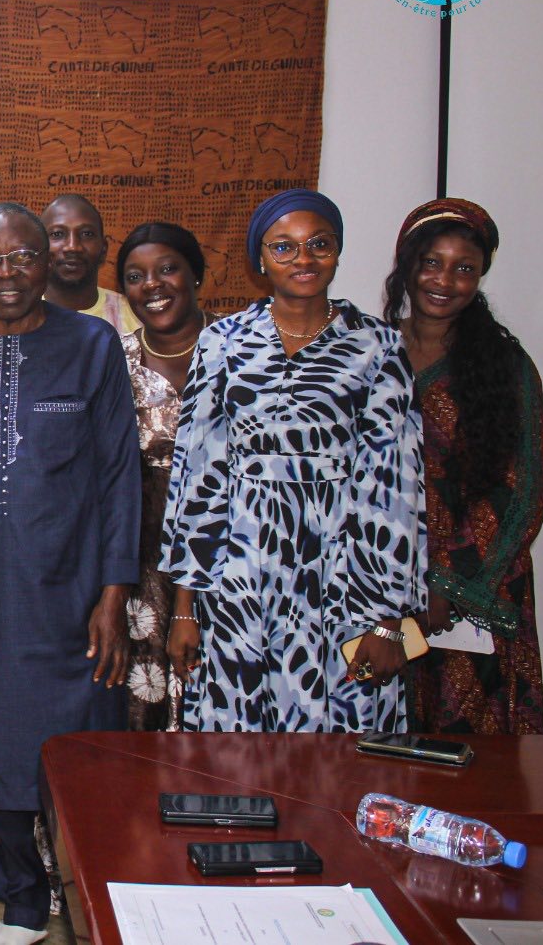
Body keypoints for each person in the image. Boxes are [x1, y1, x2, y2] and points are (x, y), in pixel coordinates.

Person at [0, 204, 137, 945]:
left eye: (23, 257)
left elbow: (118, 478)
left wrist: (113, 597)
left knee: (81, 750)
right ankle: (21, 904)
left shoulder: (93, 345)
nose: (7, 274)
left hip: (72, 591)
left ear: (50, 262)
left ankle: (94, 893)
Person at [162, 189, 427, 733]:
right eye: (283, 247)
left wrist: (388, 620)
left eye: (319, 245)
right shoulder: (222, 342)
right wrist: (185, 608)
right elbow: (197, 477)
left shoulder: (376, 346)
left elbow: (395, 485)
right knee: (237, 737)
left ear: (338, 252)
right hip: (238, 571)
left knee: (345, 737)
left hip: (347, 570)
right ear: (260, 260)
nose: (303, 260)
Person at [383, 198, 543, 734]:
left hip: (476, 591)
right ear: (407, 264)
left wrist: (448, 586)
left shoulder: (505, 365)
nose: (444, 280)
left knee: (470, 757)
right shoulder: (370, 351)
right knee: (379, 749)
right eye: (432, 262)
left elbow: (521, 491)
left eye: (464, 268)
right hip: (380, 585)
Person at [115, 222, 222, 731]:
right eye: (136, 276)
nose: (152, 285)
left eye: (167, 269)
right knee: (146, 703)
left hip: (232, 558)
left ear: (196, 274)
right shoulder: (113, 359)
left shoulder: (240, 351)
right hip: (143, 564)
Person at [41, 195, 138, 334]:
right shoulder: (19, 314)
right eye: (57, 234)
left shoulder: (136, 316)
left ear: (104, 249)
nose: (72, 247)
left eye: (86, 233)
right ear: (38, 247)